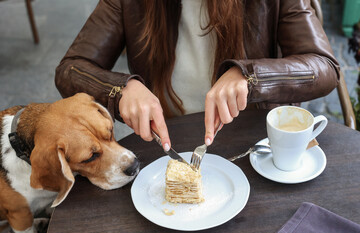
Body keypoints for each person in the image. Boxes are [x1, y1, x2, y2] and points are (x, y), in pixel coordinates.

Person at [55, 0, 339, 151]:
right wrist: (120, 89)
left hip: (253, 145)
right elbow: (70, 69)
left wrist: (249, 77)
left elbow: (324, 67)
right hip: (167, 144)